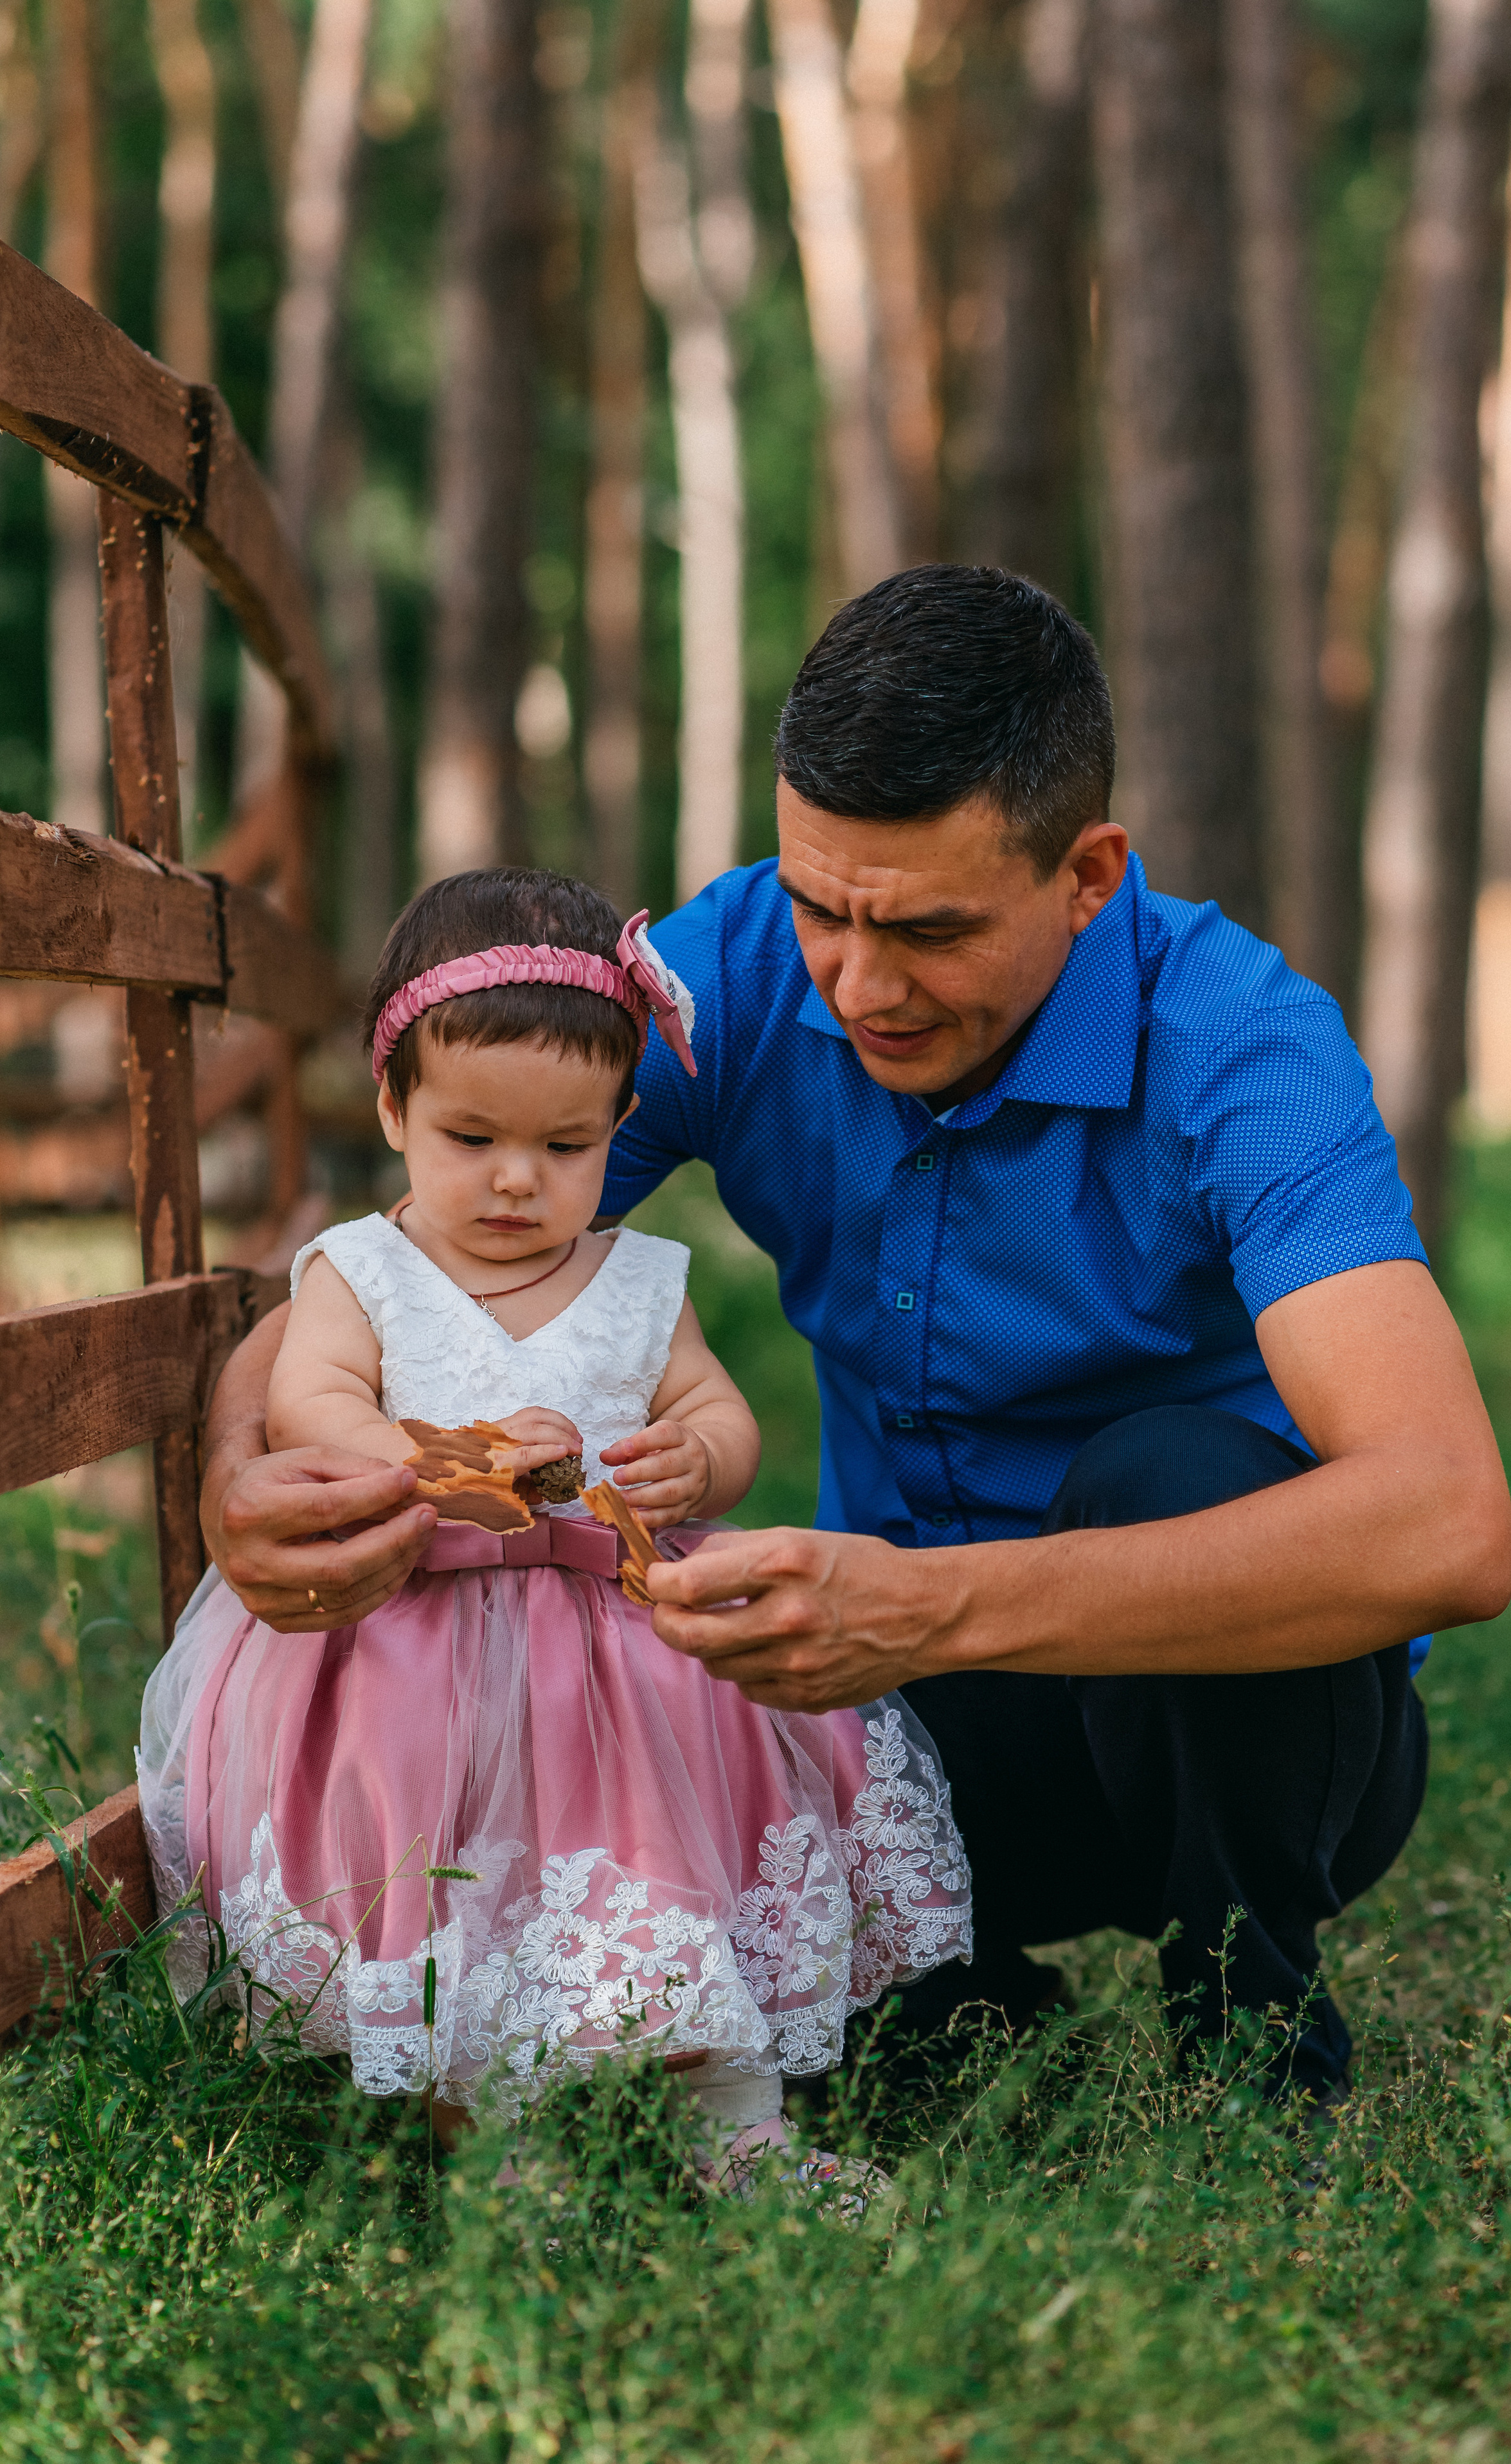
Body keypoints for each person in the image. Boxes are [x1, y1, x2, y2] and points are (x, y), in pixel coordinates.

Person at [197, 567, 1511, 2105]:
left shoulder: (1240, 1043)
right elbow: (400, 1261)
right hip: (886, 1731)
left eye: (931, 930)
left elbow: (1445, 1524)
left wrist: (932, 1608)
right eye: (821, 903)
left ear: (1087, 874)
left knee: (1177, 1467)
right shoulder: (733, 970)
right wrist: (243, 1458)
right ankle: (949, 1993)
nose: (860, 984)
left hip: (1228, 1731)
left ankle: (1246, 2028)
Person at [138, 867, 970, 2178]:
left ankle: (741, 2133)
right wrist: (455, 1459)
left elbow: (721, 1416)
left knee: (672, 1877)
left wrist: (687, 1461)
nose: (517, 1182)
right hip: (418, 1647)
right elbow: (311, 1403)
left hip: (626, 1655)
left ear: (620, 1123)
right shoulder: (360, 1270)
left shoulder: (637, 1278)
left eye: (567, 1147)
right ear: (393, 1109)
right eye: (471, 1140)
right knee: (467, 1901)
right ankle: (505, 2151)